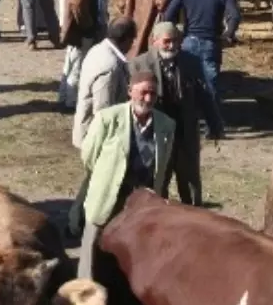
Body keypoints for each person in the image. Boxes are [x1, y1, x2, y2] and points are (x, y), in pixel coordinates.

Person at [77, 72, 174, 283]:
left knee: (136, 249)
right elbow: (89, 156)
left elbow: (163, 166)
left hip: (143, 200)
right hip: (108, 193)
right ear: (130, 91)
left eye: (153, 94)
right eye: (143, 92)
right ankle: (85, 294)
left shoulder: (166, 125)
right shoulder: (107, 118)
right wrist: (107, 178)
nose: (148, 99)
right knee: (93, 248)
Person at [130, 22, 224, 208]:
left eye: (175, 41)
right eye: (167, 42)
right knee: (157, 180)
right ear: (154, 41)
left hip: (185, 131)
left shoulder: (191, 61)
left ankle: (194, 217)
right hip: (156, 133)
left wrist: (215, 124)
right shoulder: (139, 65)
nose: (172, 46)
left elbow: (204, 94)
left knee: (189, 181)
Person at [163, 0, 240, 106]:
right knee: (210, 87)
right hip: (211, 43)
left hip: (188, 42)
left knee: (186, 85)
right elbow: (235, 16)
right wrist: (228, 34)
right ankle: (213, 124)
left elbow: (168, 15)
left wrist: (177, 35)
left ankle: (191, 121)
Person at [72, 17, 136, 149]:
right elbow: (103, 110)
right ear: (126, 39)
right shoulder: (109, 66)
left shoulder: (98, 49)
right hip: (97, 139)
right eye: (132, 40)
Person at [59, 0, 105, 109]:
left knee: (70, 65)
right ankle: (70, 102)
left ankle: (63, 96)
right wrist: (89, 27)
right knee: (77, 68)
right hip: (80, 33)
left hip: (74, 31)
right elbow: (79, 9)